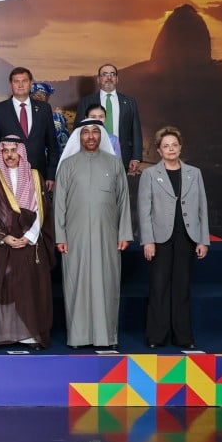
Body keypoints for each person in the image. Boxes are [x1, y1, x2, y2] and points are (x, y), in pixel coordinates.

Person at [54, 118, 132, 349]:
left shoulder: (114, 164)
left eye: (95, 132)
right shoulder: (68, 165)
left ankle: (106, 337)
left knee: (106, 284)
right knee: (76, 284)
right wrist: (61, 237)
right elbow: (59, 205)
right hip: (74, 238)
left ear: (101, 136)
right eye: (86, 132)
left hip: (108, 236)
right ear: (79, 136)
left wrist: (124, 234)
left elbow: (124, 201)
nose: (90, 136)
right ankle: (78, 337)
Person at [0, 135, 56, 350]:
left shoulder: (34, 176)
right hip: (2, 244)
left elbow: (43, 209)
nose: (10, 155)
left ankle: (29, 335)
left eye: (14, 150)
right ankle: (0, 334)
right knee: (2, 286)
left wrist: (30, 236)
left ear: (21, 152)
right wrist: (4, 237)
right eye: (5, 151)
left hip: (29, 242)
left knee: (28, 288)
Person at [137, 126, 209, 350]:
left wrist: (203, 240)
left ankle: (183, 336)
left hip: (187, 237)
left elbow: (202, 208)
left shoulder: (194, 173)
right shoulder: (149, 174)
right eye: (166, 146)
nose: (171, 149)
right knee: (159, 287)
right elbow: (144, 209)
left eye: (174, 145)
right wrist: (147, 240)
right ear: (158, 150)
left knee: (182, 286)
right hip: (160, 239)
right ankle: (156, 336)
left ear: (180, 147)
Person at [0, 67, 60, 186]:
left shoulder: (44, 109)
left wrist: (51, 175)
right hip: (7, 177)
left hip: (38, 175)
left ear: (30, 83)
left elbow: (52, 145)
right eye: (16, 81)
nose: (20, 85)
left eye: (24, 81)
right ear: (11, 84)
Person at [74, 64, 142, 174]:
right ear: (98, 79)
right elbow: (78, 130)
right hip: (92, 157)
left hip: (122, 158)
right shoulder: (86, 102)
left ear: (117, 79)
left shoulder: (129, 102)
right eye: (104, 74)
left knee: (119, 189)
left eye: (112, 74)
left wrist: (136, 157)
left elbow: (136, 130)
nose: (109, 77)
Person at [29, 82, 70, 154]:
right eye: (36, 94)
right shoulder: (56, 117)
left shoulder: (56, 117)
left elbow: (63, 142)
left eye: (43, 95)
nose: (39, 97)